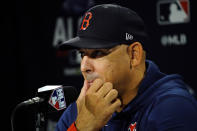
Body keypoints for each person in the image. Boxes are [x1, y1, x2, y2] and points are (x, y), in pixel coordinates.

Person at [55, 4, 197, 131]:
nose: (84, 67)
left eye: (98, 52)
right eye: (82, 54)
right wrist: (80, 128)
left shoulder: (172, 108)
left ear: (134, 55)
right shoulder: (81, 111)